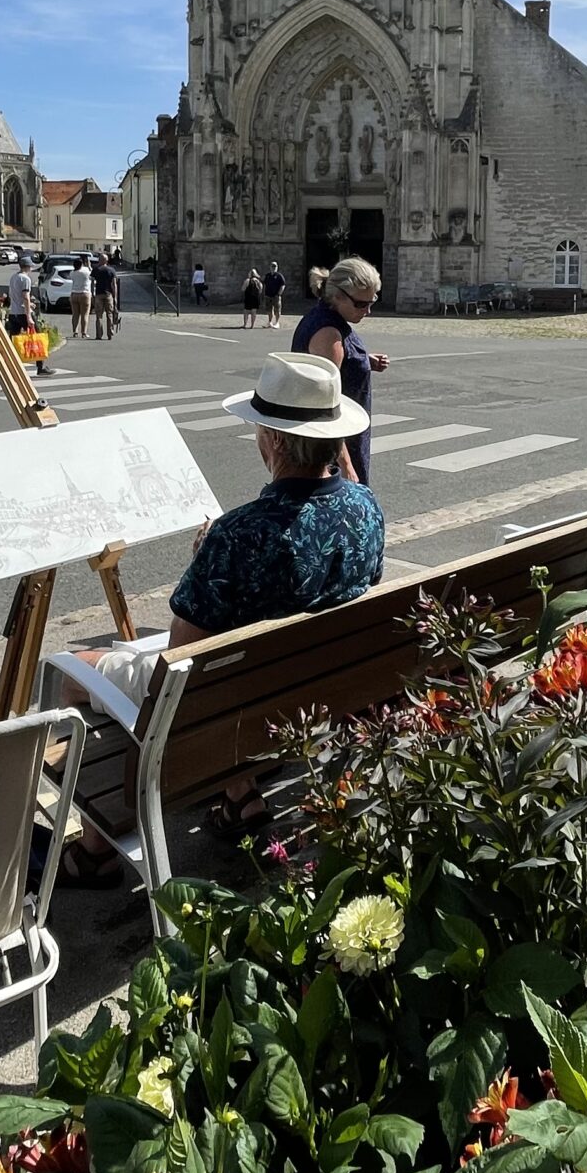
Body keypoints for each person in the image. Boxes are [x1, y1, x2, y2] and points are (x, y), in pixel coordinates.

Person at [164, 353, 385, 835]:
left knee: (80, 676)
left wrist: (205, 558)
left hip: (250, 697)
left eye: (260, 428)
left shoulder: (237, 535)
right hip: (329, 686)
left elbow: (183, 653)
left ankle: (94, 849)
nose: (257, 437)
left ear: (277, 441)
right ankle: (238, 792)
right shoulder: (365, 506)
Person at [293, 255, 387, 486]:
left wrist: (364, 360)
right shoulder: (328, 333)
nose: (368, 311)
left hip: (339, 442)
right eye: (361, 304)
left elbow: (340, 361)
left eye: (372, 301)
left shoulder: (330, 319)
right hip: (334, 448)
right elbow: (324, 406)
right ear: (337, 296)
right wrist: (346, 466)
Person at [90, 252, 118, 339]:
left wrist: (92, 293)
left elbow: (92, 282)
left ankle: (99, 335)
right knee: (109, 314)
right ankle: (110, 334)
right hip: (108, 294)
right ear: (107, 260)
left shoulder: (96, 270)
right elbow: (114, 284)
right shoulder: (111, 270)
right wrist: (115, 296)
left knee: (99, 315)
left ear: (100, 260)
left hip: (98, 294)